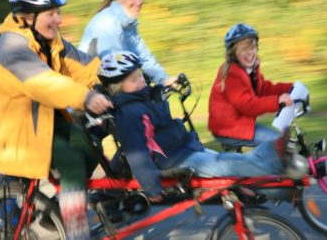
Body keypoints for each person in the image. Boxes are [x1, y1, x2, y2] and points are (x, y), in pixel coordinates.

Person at [0, 0, 113, 239]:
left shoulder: (51, 41)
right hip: (14, 131)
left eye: (58, 13)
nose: (58, 19)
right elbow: (44, 83)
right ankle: (77, 233)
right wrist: (86, 97)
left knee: (90, 148)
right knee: (71, 163)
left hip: (42, 121)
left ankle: (58, 210)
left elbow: (85, 67)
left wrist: (122, 77)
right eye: (51, 14)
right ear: (28, 17)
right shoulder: (11, 47)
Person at [96, 51, 316, 203]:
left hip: (186, 148)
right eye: (134, 80)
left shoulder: (144, 99)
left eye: (140, 76)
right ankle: (275, 153)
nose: (142, 81)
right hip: (176, 160)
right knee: (229, 166)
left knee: (232, 165)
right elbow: (137, 154)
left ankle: (277, 175)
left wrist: (160, 90)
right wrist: (152, 188)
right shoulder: (131, 113)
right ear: (118, 88)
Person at [208, 23, 294, 148]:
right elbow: (247, 105)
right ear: (233, 53)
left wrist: (290, 88)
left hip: (240, 125)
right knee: (280, 145)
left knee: (282, 145)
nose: (249, 53)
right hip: (228, 129)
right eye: (244, 49)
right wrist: (277, 101)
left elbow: (264, 89)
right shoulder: (232, 74)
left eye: (252, 47)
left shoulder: (251, 70)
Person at [78, 0, 176, 86]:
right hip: (95, 90)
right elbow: (117, 68)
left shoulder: (127, 22)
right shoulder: (107, 22)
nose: (139, 2)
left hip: (114, 84)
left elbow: (144, 57)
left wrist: (163, 80)